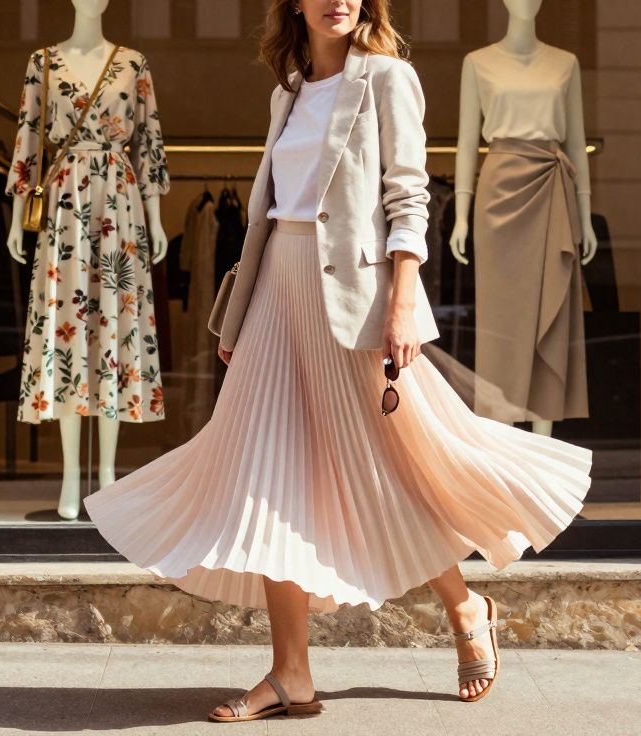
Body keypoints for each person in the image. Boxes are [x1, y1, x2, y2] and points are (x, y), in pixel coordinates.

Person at [82, 0, 593, 722]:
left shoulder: (387, 79)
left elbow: (407, 193)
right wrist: (242, 310)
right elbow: (269, 211)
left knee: (381, 470)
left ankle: (466, 605)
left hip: (349, 302)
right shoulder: (286, 92)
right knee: (268, 475)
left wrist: (404, 300)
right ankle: (291, 673)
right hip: (276, 298)